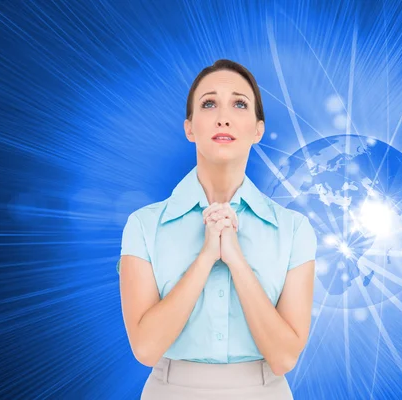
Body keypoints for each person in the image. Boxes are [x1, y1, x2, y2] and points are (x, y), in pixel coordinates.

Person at [117, 59, 317, 399]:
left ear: (258, 130)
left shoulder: (294, 230)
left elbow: (284, 357)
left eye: (239, 103)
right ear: (189, 127)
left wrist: (236, 259)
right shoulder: (143, 225)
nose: (223, 116)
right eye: (209, 103)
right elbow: (146, 349)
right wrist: (207, 256)